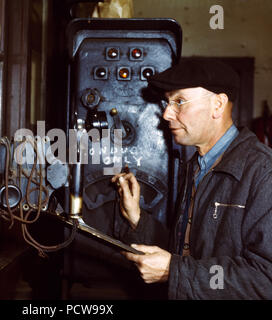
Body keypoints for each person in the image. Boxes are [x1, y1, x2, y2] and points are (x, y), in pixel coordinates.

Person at [112, 58, 272, 299]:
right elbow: (188, 251)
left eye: (179, 101)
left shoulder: (262, 172)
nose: (166, 114)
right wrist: (136, 217)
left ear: (218, 105)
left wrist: (173, 272)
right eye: (167, 102)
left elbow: (264, 280)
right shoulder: (196, 166)